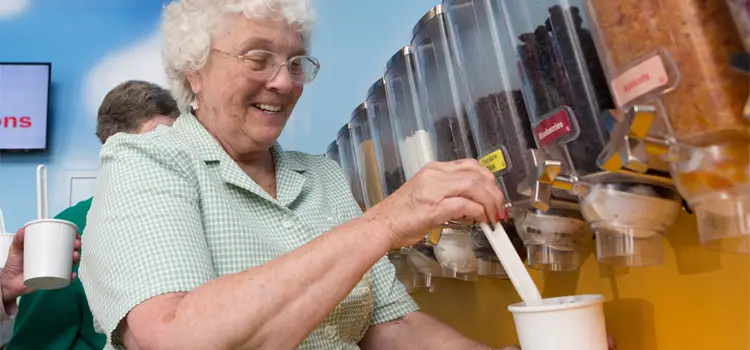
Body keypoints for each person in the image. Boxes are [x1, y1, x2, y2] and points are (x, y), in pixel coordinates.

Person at [79, 1, 614, 349]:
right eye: (258, 57)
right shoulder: (146, 161)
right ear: (193, 68)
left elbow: (395, 328)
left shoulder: (323, 177)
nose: (284, 82)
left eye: (296, 63)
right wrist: (386, 222)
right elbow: (174, 338)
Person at [7, 80, 180, 350]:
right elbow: (34, 343)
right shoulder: (69, 232)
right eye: (153, 144)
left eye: (173, 143)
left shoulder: (185, 223)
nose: (170, 156)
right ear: (113, 148)